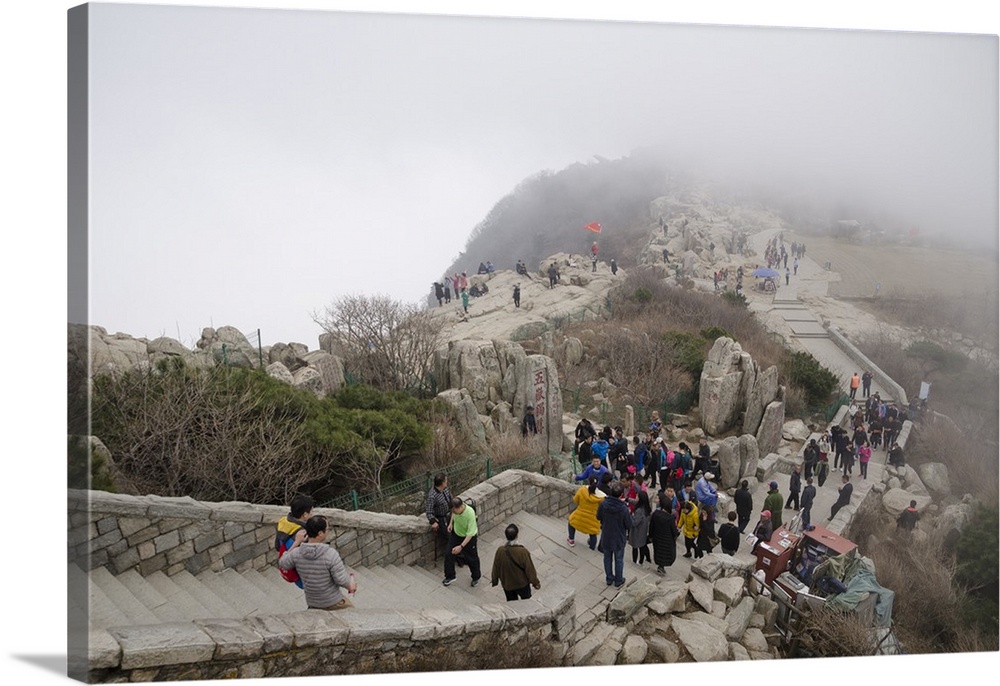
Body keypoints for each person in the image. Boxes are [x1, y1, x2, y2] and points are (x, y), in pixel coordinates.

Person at [278, 515, 356, 610]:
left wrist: (296, 543)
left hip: (313, 603)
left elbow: (282, 563)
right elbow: (341, 580)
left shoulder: (296, 553)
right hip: (333, 602)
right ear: (320, 533)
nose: (328, 531)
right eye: (327, 529)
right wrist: (351, 585)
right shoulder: (330, 554)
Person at [490, 524, 541, 602]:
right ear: (517, 535)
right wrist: (535, 582)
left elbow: (495, 567)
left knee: (512, 603)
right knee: (527, 602)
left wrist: (495, 580)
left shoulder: (500, 551)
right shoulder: (522, 552)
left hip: (507, 585)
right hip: (522, 584)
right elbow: (529, 569)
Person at [596, 481, 633, 587]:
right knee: (619, 559)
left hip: (606, 535)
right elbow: (629, 524)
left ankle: (609, 578)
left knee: (607, 558)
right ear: (621, 494)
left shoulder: (604, 504)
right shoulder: (624, 509)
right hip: (618, 537)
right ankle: (618, 580)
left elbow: (598, 517)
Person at [274, 494, 314, 589]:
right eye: (311, 511)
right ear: (304, 515)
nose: (313, 513)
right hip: (302, 578)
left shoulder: (283, 521)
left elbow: (277, 546)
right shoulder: (302, 534)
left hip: (289, 568)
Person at [443, 497, 481, 587]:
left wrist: (461, 547)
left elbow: (470, 534)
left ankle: (476, 577)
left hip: (469, 539)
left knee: (472, 559)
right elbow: (453, 514)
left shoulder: (470, 513)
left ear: (460, 507)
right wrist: (451, 524)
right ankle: (450, 576)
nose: (453, 512)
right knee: (448, 554)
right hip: (456, 534)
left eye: (454, 510)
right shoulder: (455, 510)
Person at [568, 477, 604, 549]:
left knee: (571, 522)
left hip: (580, 515)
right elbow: (601, 509)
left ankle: (571, 540)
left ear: (588, 481)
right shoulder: (601, 496)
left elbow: (575, 500)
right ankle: (592, 547)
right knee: (593, 533)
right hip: (593, 519)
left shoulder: (582, 489)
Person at [425, 473, 453, 560]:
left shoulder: (445, 490)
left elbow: (451, 499)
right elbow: (429, 512)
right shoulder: (432, 496)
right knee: (449, 538)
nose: (447, 482)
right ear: (442, 483)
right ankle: (454, 557)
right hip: (442, 519)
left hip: (450, 515)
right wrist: (433, 521)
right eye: (445, 480)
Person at [649, 493, 679, 575]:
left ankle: (660, 566)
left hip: (657, 537)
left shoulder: (656, 514)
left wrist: (651, 536)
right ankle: (661, 567)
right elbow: (674, 531)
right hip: (667, 540)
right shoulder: (670, 518)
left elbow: (651, 526)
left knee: (658, 551)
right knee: (665, 553)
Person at [629, 490, 652, 566]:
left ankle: (634, 562)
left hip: (637, 532)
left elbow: (635, 523)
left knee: (635, 547)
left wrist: (630, 515)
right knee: (642, 546)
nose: (636, 497)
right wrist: (627, 499)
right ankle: (642, 561)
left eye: (637, 496)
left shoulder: (639, 510)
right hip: (643, 531)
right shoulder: (647, 508)